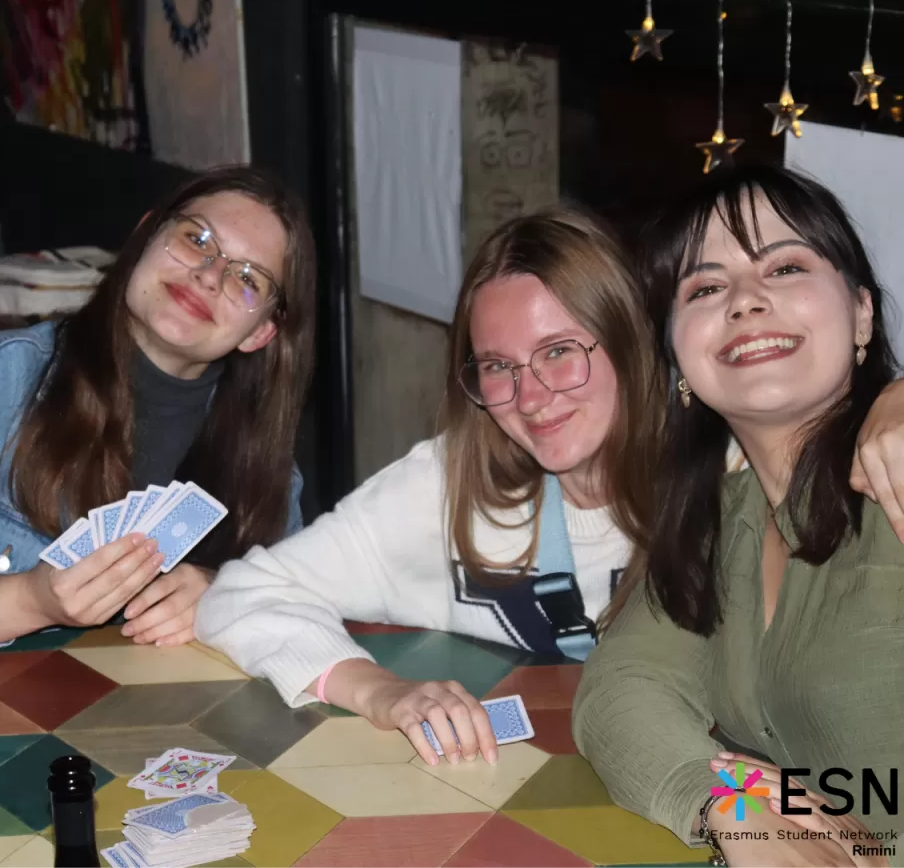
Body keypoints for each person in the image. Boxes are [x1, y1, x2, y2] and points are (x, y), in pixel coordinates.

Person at [196, 203, 904, 771]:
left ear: (630, 339)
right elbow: (243, 595)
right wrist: (382, 691)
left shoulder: (726, 465)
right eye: (497, 366)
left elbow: (807, 406)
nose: (530, 396)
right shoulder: (449, 484)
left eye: (560, 352)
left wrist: (891, 396)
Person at [0, 165, 316, 692]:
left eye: (248, 279)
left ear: (262, 333)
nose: (210, 275)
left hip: (120, 737)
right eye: (196, 238)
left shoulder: (261, 459)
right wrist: (30, 600)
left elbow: (301, 615)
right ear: (145, 235)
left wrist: (222, 594)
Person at [574, 165, 903, 867]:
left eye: (785, 266)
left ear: (863, 315)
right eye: (706, 287)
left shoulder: (895, 472)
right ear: (680, 362)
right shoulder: (720, 520)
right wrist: (737, 800)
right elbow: (622, 690)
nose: (747, 301)